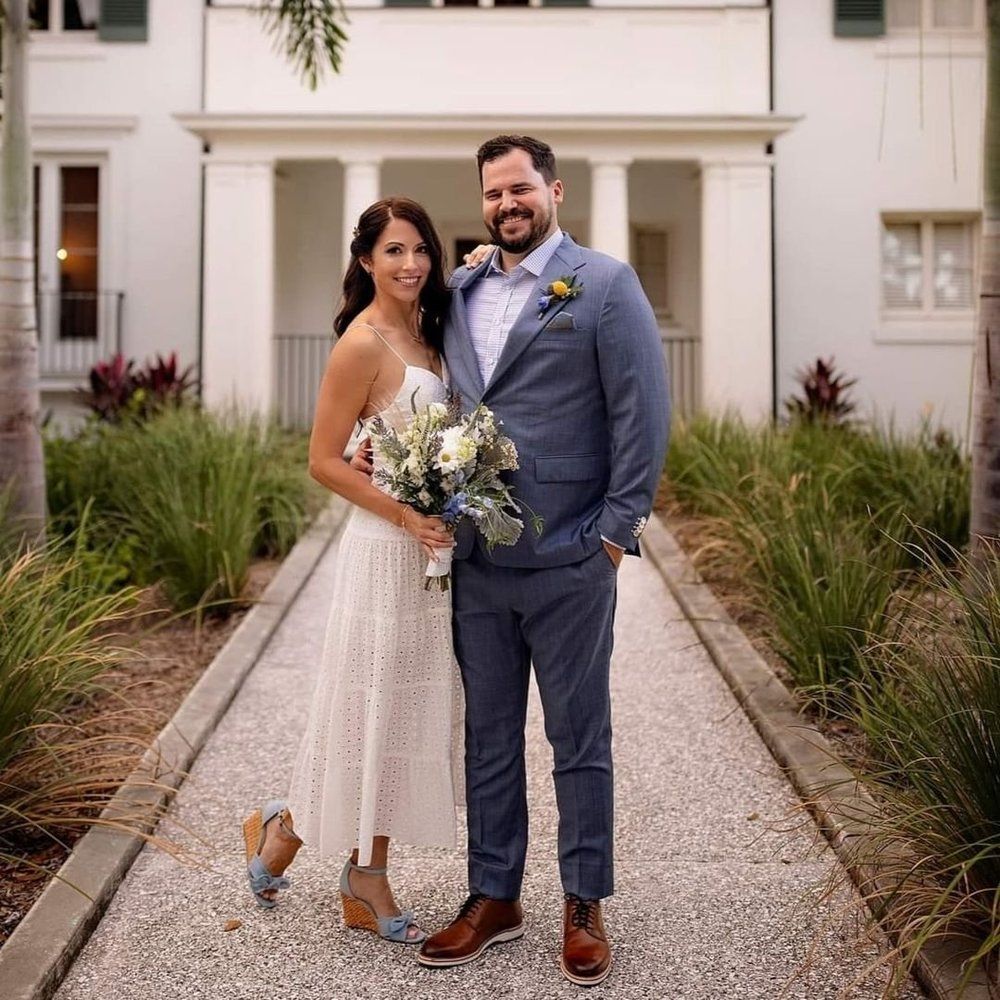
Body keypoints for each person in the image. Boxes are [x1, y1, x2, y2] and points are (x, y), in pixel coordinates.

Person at [413, 135, 671, 986]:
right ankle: (494, 895)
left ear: (553, 190)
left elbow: (642, 412)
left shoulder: (604, 285)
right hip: (478, 558)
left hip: (570, 556)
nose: (506, 204)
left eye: (519, 188)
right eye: (492, 193)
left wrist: (614, 533)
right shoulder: (460, 288)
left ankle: (584, 901)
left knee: (577, 736)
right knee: (488, 735)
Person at [242, 197, 466, 946]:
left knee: (398, 712)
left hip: (434, 549)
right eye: (394, 251)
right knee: (370, 705)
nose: (410, 264)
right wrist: (403, 513)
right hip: (384, 548)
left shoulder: (435, 332)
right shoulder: (361, 345)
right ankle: (363, 874)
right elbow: (321, 462)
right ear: (366, 260)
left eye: (421, 250)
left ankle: (287, 830)